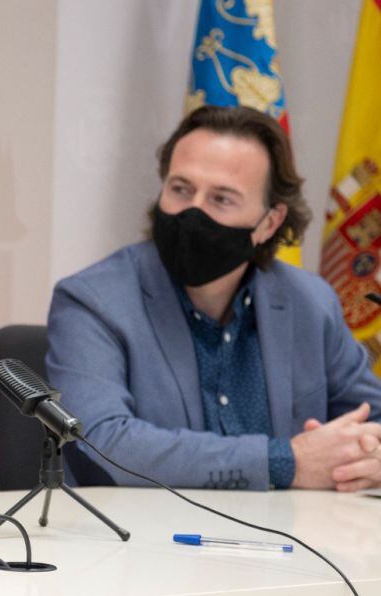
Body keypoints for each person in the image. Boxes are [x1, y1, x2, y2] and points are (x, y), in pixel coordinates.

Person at [47, 105, 381, 492]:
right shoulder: (93, 301)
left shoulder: (310, 302)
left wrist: (368, 454)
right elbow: (101, 443)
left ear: (269, 222)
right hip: (148, 541)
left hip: (293, 540)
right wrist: (284, 462)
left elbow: (371, 417)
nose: (192, 212)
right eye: (181, 189)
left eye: (221, 199)